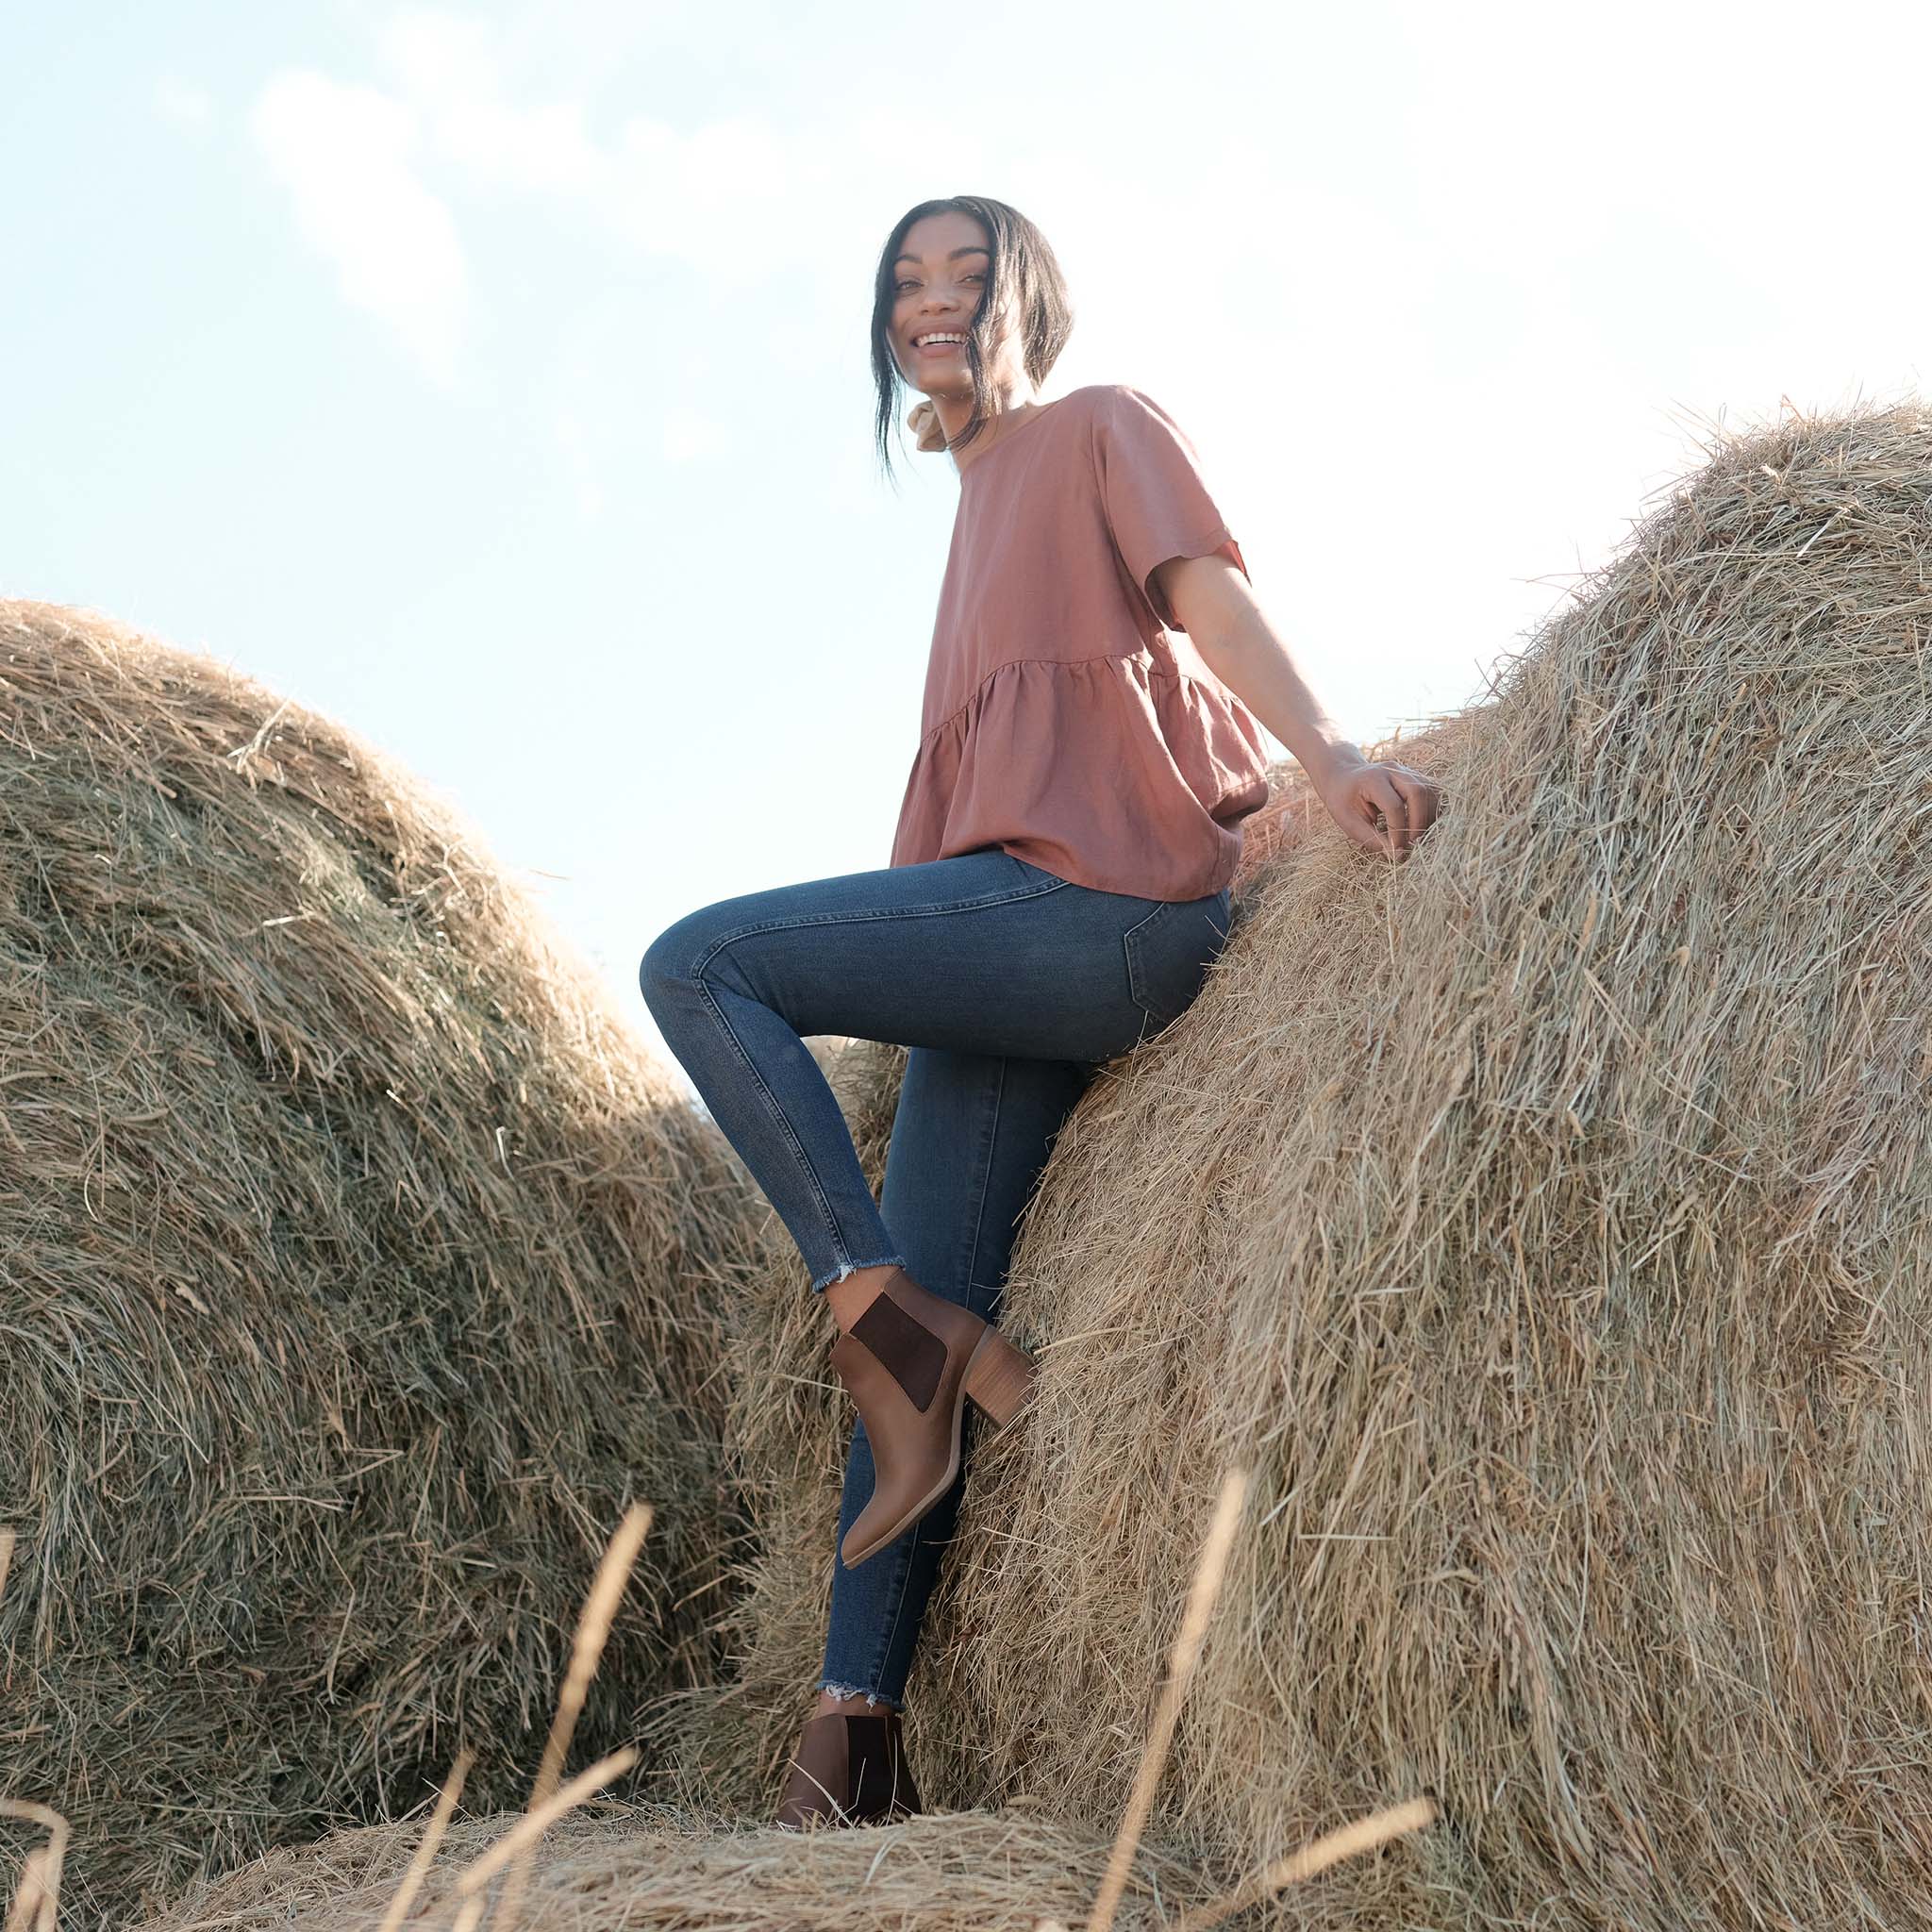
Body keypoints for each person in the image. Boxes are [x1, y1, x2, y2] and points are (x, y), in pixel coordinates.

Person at [639, 194, 1441, 1832]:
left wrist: (1334, 754)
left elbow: (1207, 598)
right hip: (1004, 952)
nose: (931, 300)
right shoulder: (967, 512)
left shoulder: (1098, 426)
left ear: (1028, 302)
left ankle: (880, 1315)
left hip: (1107, 911)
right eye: (905, 281)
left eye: (967, 272)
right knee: (918, 1353)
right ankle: (851, 1744)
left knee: (699, 965)